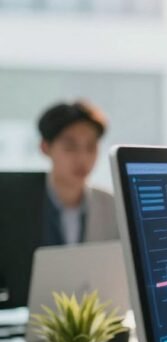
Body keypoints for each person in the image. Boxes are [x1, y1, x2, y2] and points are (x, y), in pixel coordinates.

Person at [38, 100, 118, 245]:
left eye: (90, 147)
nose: (82, 158)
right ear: (45, 148)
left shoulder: (114, 207)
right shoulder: (19, 204)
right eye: (70, 146)